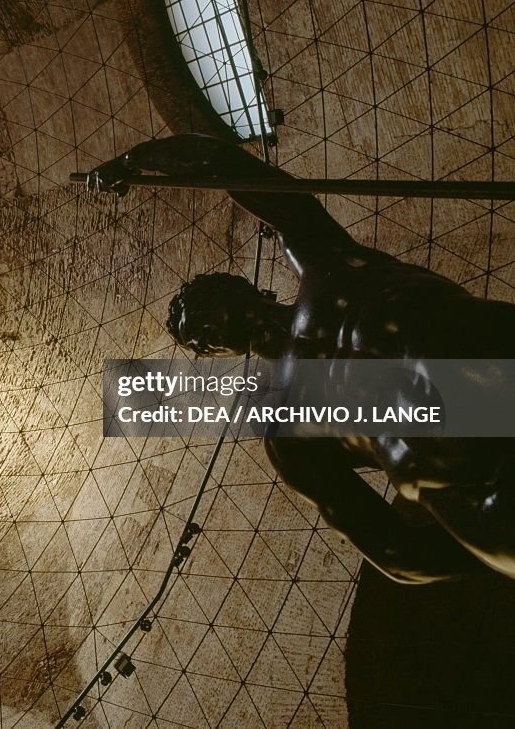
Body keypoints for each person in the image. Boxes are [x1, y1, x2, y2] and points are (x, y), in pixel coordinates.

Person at [89, 133, 515, 584]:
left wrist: (134, 159)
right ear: (213, 352)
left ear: (240, 284)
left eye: (199, 302)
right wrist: (489, 553)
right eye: (195, 330)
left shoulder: (324, 261)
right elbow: (393, 551)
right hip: (481, 496)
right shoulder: (285, 432)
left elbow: (230, 166)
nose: (198, 320)